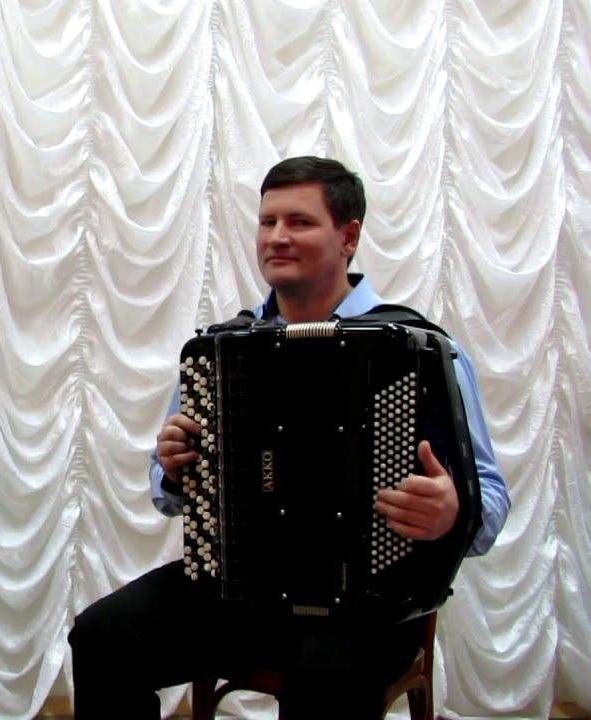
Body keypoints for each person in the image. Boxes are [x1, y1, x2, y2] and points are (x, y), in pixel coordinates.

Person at [67, 156, 510, 719]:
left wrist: (452, 512)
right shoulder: (222, 350)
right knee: (103, 636)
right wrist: (174, 469)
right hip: (239, 595)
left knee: (325, 678)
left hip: (369, 606)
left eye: (299, 222)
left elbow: (490, 495)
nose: (276, 237)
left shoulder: (415, 348)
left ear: (348, 237)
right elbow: (167, 491)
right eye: (267, 221)